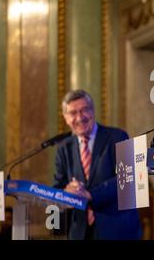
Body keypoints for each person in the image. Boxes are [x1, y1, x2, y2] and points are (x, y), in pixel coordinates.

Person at [53, 89, 142, 240]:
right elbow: (57, 187)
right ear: (65, 118)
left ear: (93, 111)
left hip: (117, 229)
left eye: (84, 110)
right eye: (73, 113)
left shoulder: (118, 136)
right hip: (80, 232)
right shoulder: (63, 148)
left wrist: (90, 195)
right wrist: (66, 193)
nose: (80, 117)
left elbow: (128, 179)